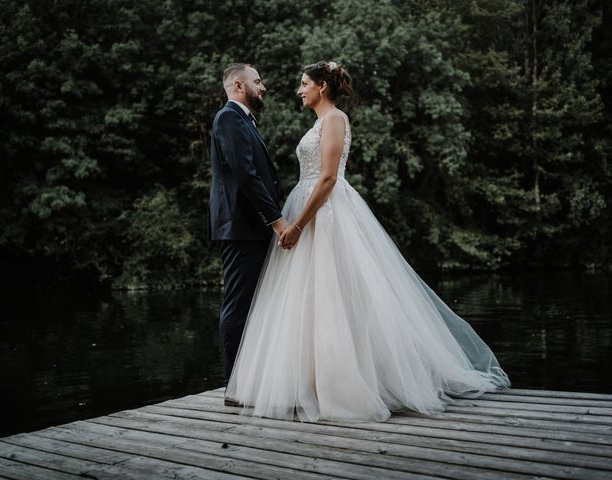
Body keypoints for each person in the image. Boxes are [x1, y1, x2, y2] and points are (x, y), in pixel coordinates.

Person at [225, 61, 510, 423]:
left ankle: (345, 381)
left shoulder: (335, 120)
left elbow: (327, 179)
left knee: (335, 297)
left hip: (324, 215)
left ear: (322, 87)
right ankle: (307, 382)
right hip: (306, 209)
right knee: (305, 300)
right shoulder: (318, 122)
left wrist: (297, 225)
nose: (299, 90)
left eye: (304, 83)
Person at [208, 64, 288, 403]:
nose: (263, 86)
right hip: (242, 228)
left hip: (250, 228)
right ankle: (235, 387)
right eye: (257, 81)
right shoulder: (229, 118)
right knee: (239, 305)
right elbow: (245, 173)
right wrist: (275, 219)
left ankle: (252, 379)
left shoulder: (243, 120)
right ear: (239, 85)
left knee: (254, 304)